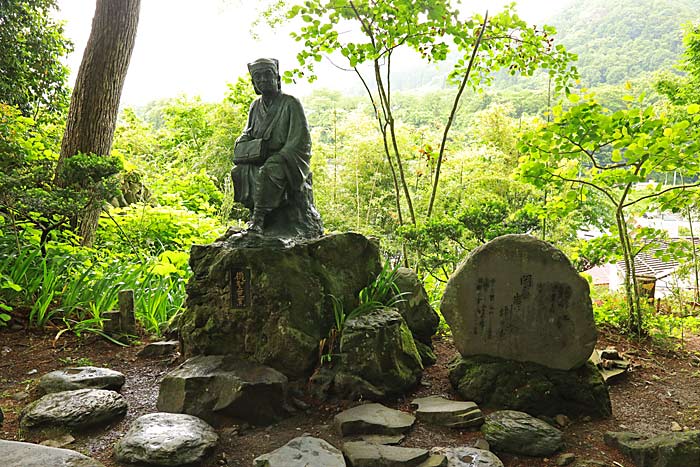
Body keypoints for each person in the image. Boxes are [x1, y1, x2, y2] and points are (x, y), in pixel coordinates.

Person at [231, 58, 314, 234]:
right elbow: (249, 132)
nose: (263, 80)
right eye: (258, 76)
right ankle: (252, 212)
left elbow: (301, 140)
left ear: (277, 77)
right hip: (261, 155)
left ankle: (259, 218)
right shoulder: (255, 106)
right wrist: (243, 144)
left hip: (285, 158)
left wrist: (281, 155)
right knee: (238, 171)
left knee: (269, 169)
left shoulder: (291, 103)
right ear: (254, 82)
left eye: (267, 74)